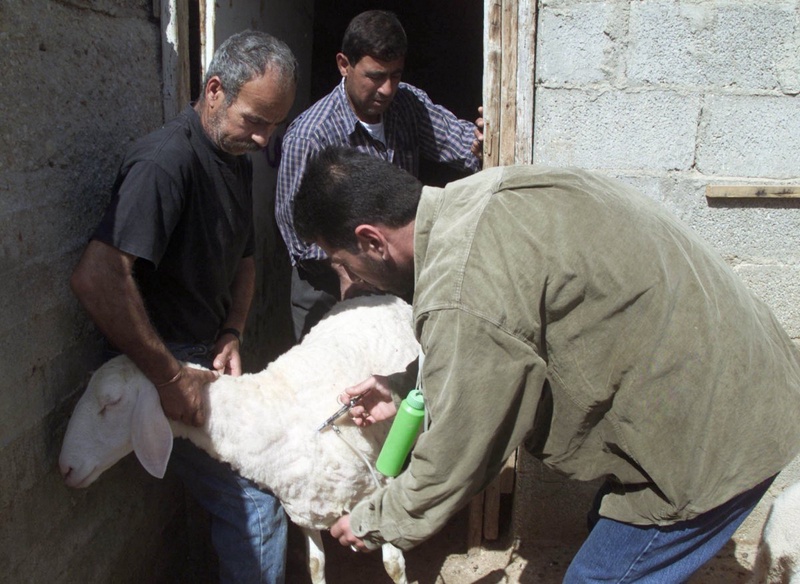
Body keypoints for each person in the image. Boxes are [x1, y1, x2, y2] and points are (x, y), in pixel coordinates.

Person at [292, 146, 800, 582]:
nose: (349, 278)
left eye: (340, 262)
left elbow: (457, 455)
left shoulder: (461, 291)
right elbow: (498, 343)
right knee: (603, 525)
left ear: (371, 241)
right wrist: (404, 385)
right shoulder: (481, 197)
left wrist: (374, 520)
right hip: (740, 377)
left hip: (717, 437)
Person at [70, 30, 298, 583]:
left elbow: (245, 256)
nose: (265, 138)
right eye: (255, 120)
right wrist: (170, 378)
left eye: (274, 125)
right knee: (257, 503)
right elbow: (97, 277)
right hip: (160, 367)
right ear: (215, 90)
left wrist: (233, 330)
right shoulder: (164, 162)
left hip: (201, 358)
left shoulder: (235, 154)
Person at [275, 9, 483, 341]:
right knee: (329, 379)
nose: (386, 89)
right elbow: (296, 232)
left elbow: (466, 149)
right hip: (327, 284)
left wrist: (486, 137)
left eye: (395, 75)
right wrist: (347, 268)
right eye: (375, 76)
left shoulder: (408, 104)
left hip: (392, 272)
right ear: (344, 65)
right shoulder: (309, 136)